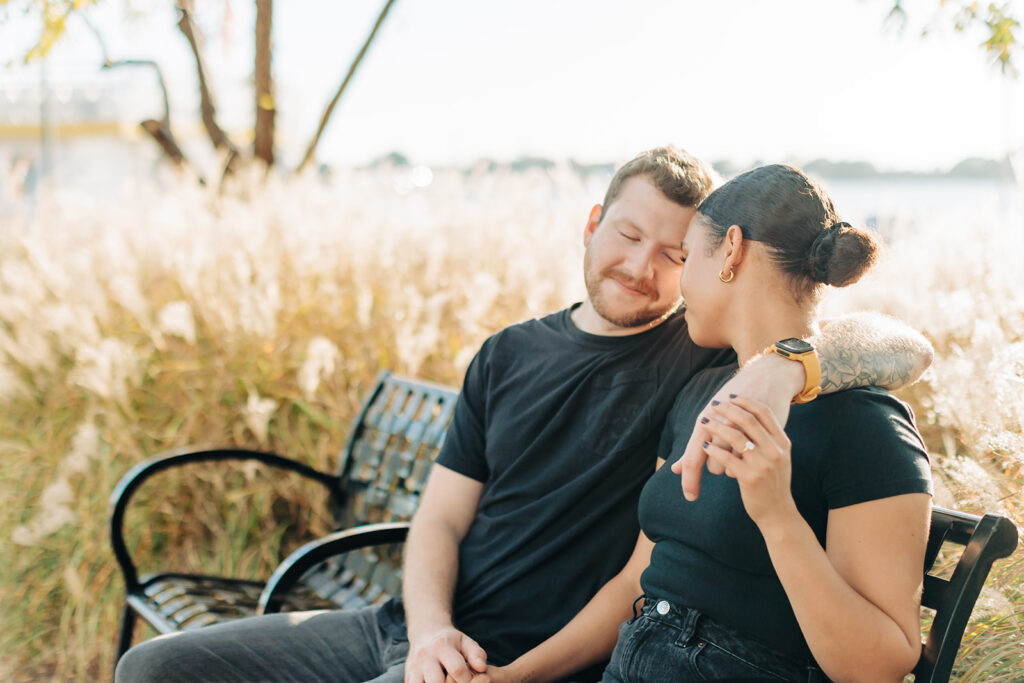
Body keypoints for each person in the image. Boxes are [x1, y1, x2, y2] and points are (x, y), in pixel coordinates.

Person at [115, 150, 933, 683]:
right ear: (593, 224)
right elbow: (442, 520)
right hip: (412, 626)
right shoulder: (523, 356)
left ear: (724, 254)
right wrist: (430, 631)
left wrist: (789, 368)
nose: (652, 271)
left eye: (678, 254)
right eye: (629, 235)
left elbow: (901, 347)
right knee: (153, 672)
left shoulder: (701, 360)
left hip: (531, 658)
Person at [490, 165, 933, 683]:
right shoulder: (700, 392)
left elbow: (880, 666)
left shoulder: (864, 424)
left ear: (730, 251)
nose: (676, 281)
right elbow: (637, 580)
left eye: (684, 254)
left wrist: (777, 517)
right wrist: (510, 677)